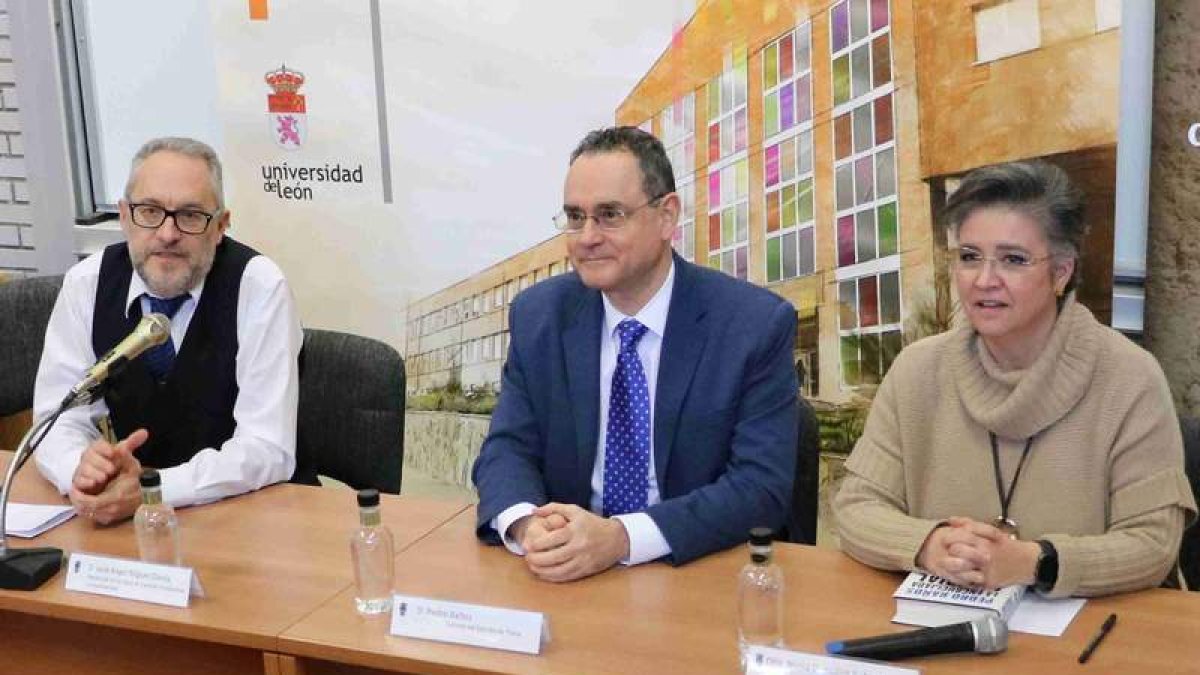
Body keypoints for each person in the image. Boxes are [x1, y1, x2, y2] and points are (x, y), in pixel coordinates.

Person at [833, 160, 1197, 597]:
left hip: (1091, 641)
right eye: (969, 258)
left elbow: (1153, 543)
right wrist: (927, 544)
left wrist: (1035, 562)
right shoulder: (917, 371)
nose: (985, 280)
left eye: (1013, 260)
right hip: (945, 629)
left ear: (1061, 272)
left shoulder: (1129, 378)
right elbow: (856, 507)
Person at [472, 126, 798, 582]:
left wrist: (622, 538)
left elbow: (760, 486)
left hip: (695, 577)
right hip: (567, 577)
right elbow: (507, 448)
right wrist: (528, 525)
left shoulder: (753, 325)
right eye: (574, 216)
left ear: (667, 217)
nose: (586, 237)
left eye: (609, 215)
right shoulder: (539, 315)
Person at [33, 137, 308, 525]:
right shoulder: (87, 283)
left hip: (249, 517)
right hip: (135, 524)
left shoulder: (259, 287)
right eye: (150, 211)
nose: (167, 233)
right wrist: (81, 470)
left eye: (191, 215)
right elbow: (57, 417)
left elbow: (267, 448)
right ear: (125, 216)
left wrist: (152, 489)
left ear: (221, 226)